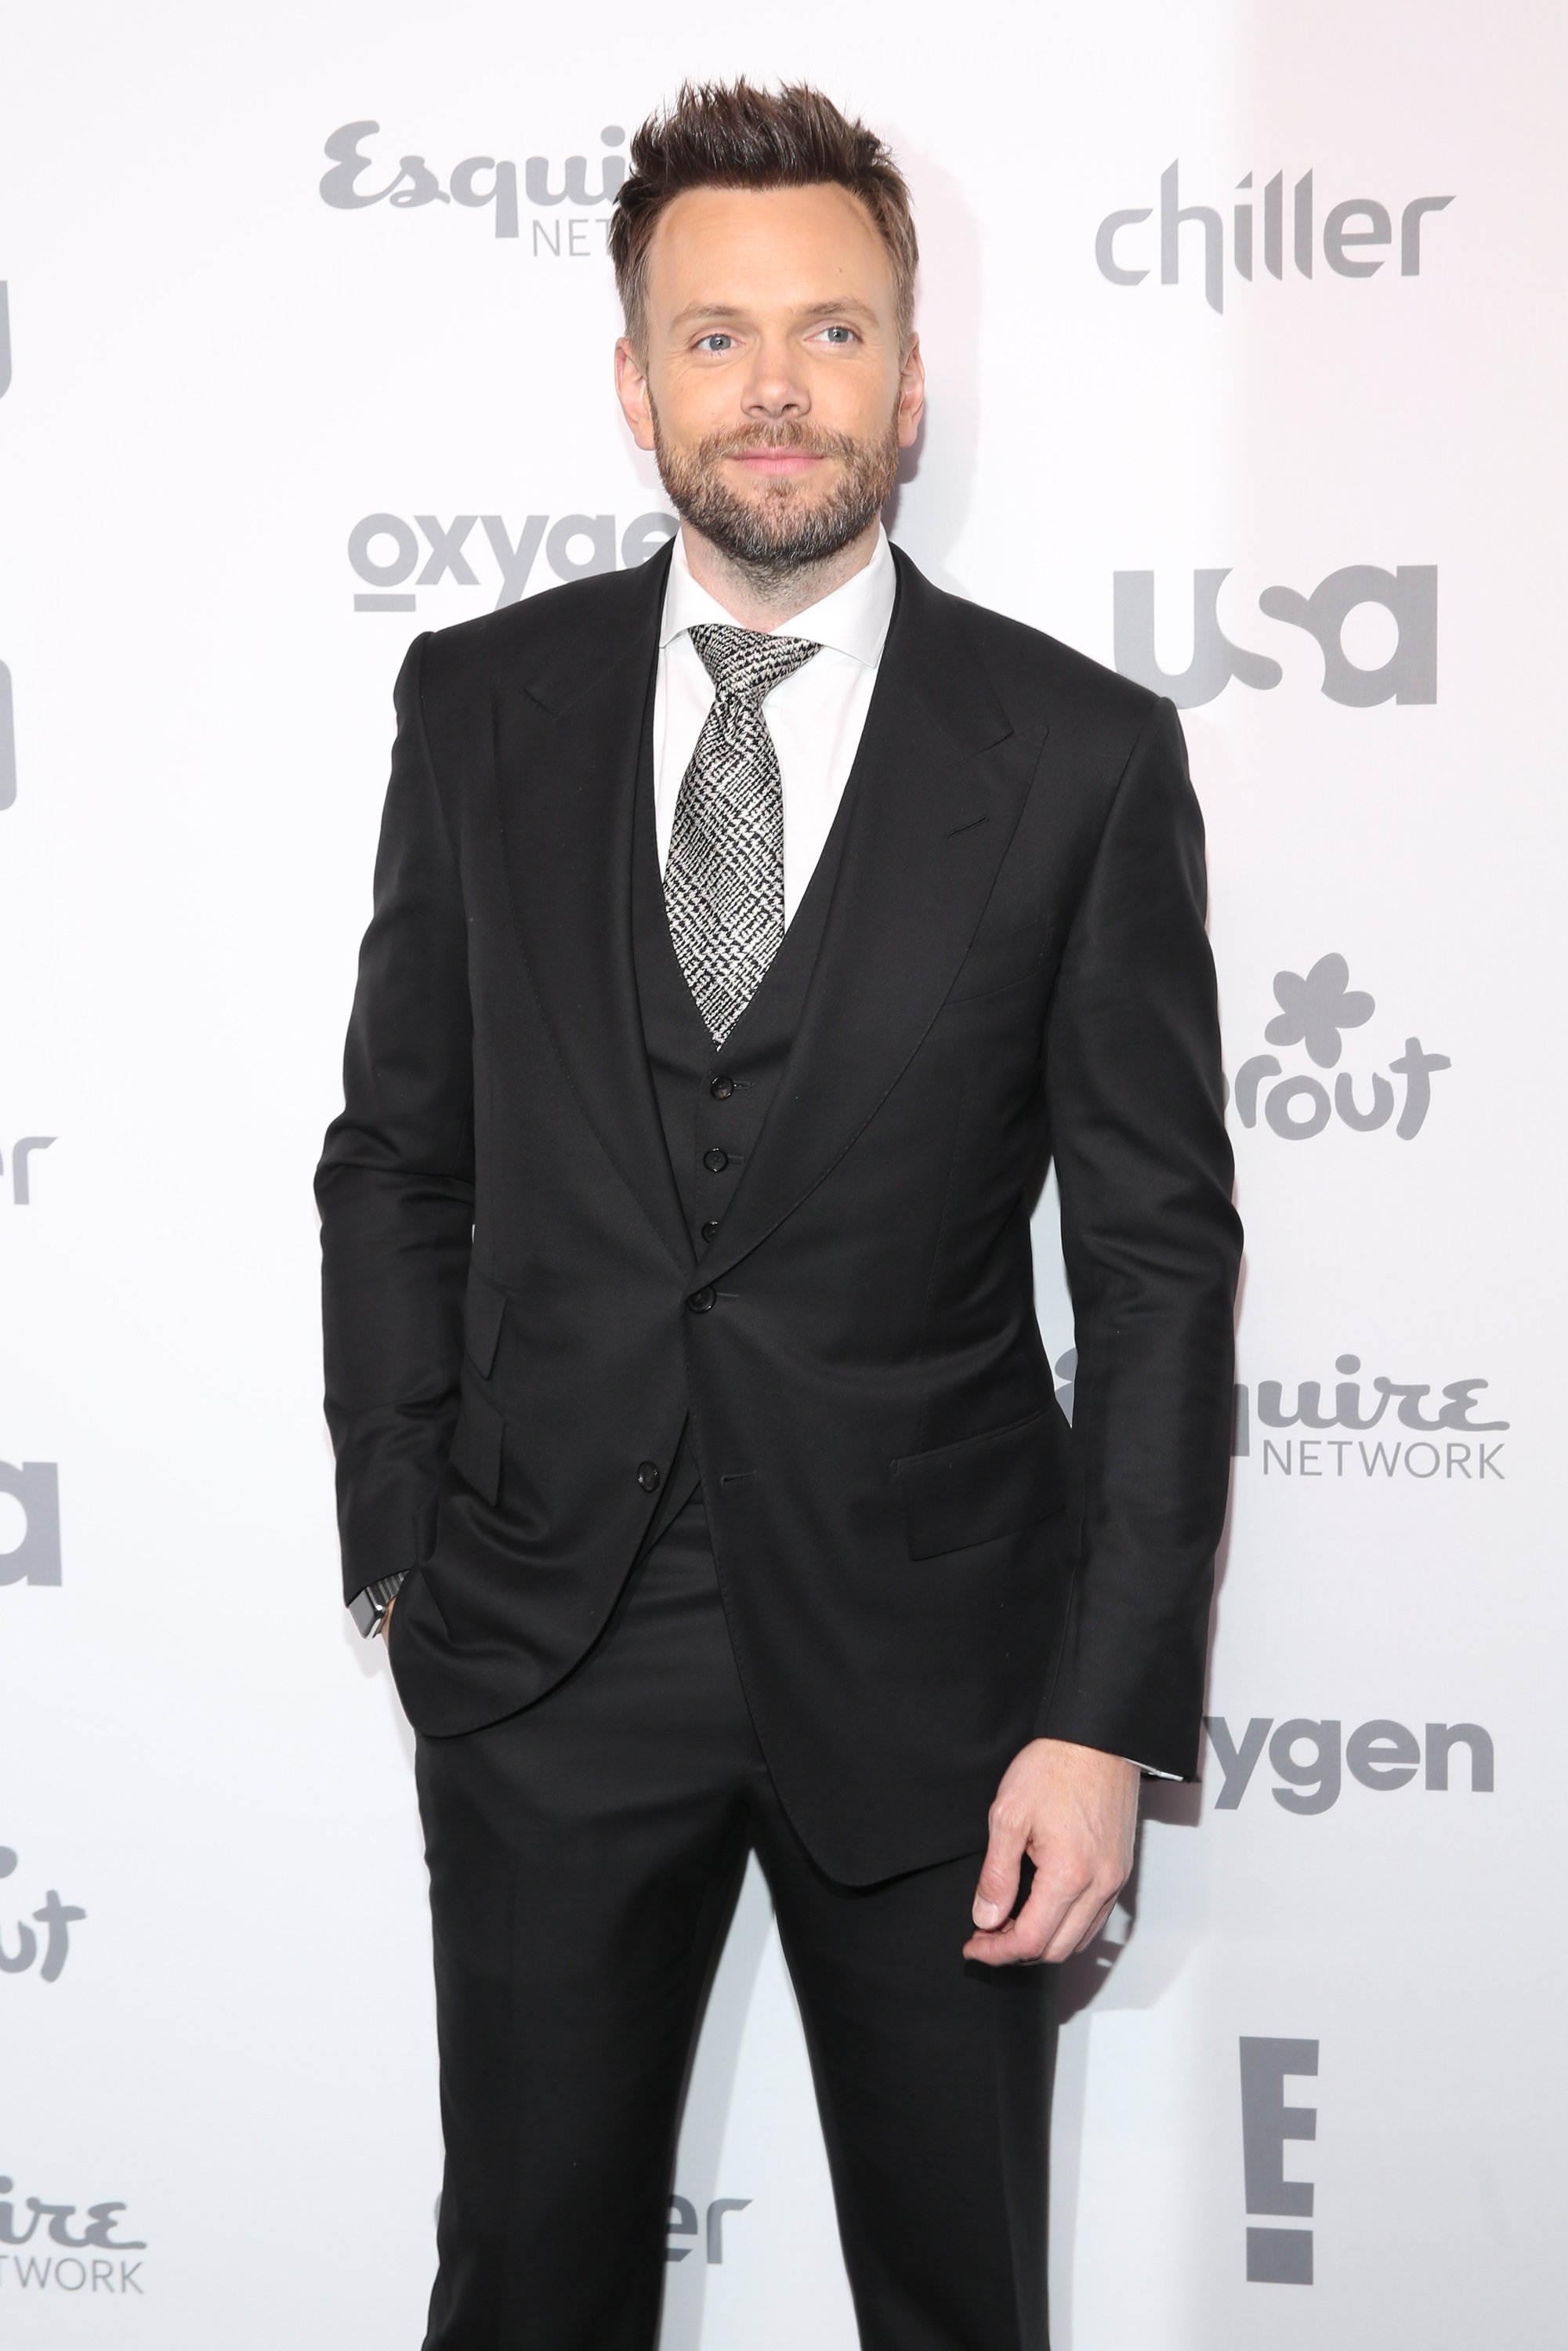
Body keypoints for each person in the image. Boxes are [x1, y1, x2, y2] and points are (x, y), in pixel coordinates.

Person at [317, 78, 1240, 2351]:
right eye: (714, 338)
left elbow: (1153, 1262)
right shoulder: (480, 706)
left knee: (953, 2299)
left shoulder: (1082, 758)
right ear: (634, 385)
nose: (773, 388)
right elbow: (394, 1156)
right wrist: (399, 1535)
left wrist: (1100, 1716)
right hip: (545, 1647)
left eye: (828, 332)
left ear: (908, 383)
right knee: (523, 2291)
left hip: (949, 1690)